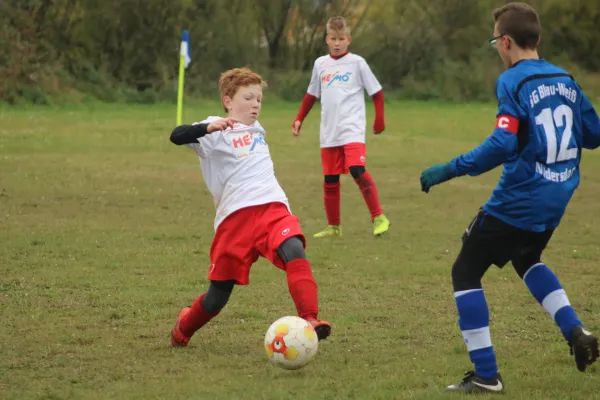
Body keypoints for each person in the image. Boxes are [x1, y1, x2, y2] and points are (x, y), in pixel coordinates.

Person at [420, 2, 600, 394]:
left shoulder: (513, 81)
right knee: (527, 258)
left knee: (465, 271)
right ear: (537, 39)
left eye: (495, 43)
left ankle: (486, 375)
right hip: (558, 196)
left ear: (505, 42)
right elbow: (594, 134)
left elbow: (501, 144)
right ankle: (575, 331)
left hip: (519, 199)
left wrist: (449, 169)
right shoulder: (567, 79)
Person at [169, 67, 331, 347]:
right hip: (235, 220)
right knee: (217, 296)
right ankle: (183, 328)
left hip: (272, 207)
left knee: (294, 249)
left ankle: (310, 319)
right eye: (248, 98)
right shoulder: (214, 129)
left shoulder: (258, 129)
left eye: (259, 99)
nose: (255, 104)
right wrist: (208, 127)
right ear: (228, 101)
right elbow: (176, 135)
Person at [291, 16, 390, 238]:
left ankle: (379, 217)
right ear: (327, 39)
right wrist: (299, 119)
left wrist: (379, 119)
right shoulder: (320, 64)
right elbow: (311, 95)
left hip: (352, 128)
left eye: (341, 39)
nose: (337, 43)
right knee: (330, 178)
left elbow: (377, 92)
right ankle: (334, 227)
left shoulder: (357, 63)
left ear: (349, 39)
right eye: (333, 39)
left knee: (357, 170)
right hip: (329, 130)